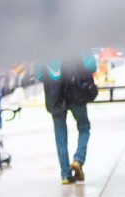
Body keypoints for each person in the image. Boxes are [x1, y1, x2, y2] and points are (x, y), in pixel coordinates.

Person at [39, 52, 97, 184]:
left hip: (54, 97)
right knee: (84, 127)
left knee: (60, 136)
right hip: (76, 93)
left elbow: (39, 74)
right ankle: (78, 159)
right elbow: (92, 66)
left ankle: (65, 175)